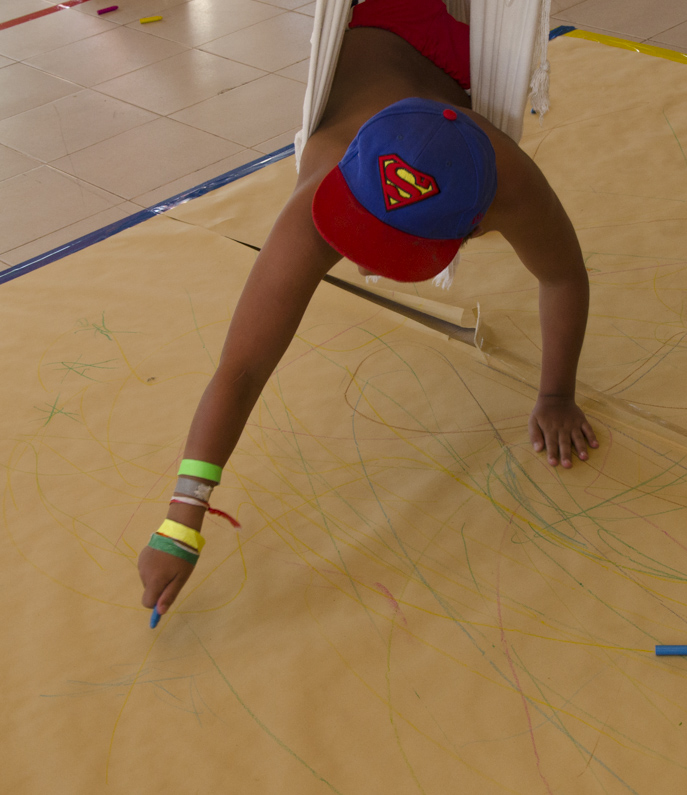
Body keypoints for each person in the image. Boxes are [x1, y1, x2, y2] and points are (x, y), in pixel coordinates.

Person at [139, 0, 596, 617]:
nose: (359, 265)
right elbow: (241, 369)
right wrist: (179, 523)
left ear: (473, 226)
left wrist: (556, 394)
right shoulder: (323, 188)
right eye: (353, 233)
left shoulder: (510, 187)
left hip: (453, 51)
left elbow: (563, 276)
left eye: (386, 253)